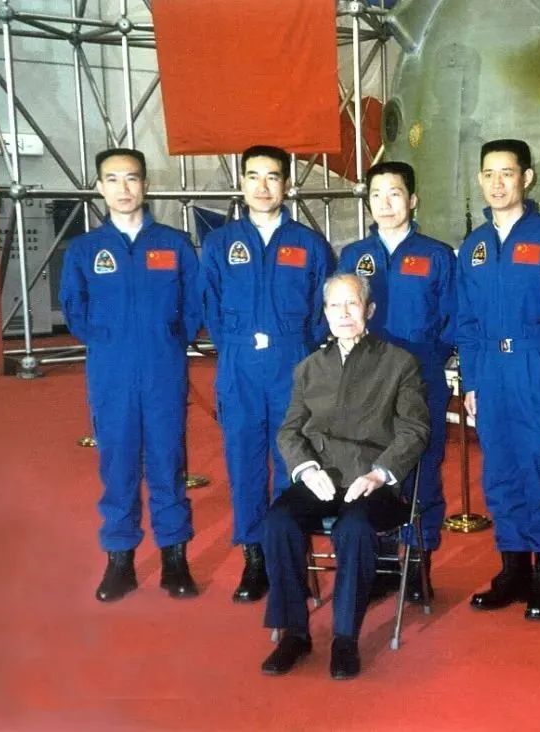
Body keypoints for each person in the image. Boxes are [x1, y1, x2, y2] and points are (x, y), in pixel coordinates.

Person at [260, 273, 430, 680]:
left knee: (353, 529)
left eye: (352, 303)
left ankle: (345, 638)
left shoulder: (399, 363)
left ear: (369, 310)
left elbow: (414, 430)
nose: (344, 313)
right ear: (324, 313)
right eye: (335, 305)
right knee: (277, 522)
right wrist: (306, 468)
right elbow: (289, 431)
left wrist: (380, 474)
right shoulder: (308, 368)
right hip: (321, 478)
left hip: (372, 484)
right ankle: (294, 633)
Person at [60, 147, 202, 602]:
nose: (123, 188)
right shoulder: (84, 250)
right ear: (99, 187)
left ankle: (174, 559)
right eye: (113, 179)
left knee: (167, 460)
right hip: (112, 371)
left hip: (163, 368)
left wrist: (169, 339)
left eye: (132, 178)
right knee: (117, 462)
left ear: (146, 184)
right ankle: (119, 560)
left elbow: (194, 301)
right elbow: (73, 306)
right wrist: (108, 340)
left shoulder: (174, 244)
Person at [200, 145, 335, 604]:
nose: (262, 186)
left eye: (272, 177)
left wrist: (298, 346)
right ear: (241, 183)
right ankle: (254, 558)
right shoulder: (220, 244)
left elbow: (323, 308)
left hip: (292, 362)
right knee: (244, 463)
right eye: (253, 176)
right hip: (239, 365)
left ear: (287, 185)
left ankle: (285, 556)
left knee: (294, 461)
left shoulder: (309, 244)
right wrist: (235, 347)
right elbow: (209, 305)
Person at [456, 139, 540, 620]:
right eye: (489, 174)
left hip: (537, 366)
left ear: (527, 178)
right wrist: (470, 381)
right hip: (490, 370)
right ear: (480, 180)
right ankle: (513, 570)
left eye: (507, 173)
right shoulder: (474, 246)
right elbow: (466, 320)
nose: (498, 183)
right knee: (500, 471)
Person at [336, 161, 456, 602]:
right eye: (376, 195)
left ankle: (419, 560)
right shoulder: (354, 256)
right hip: (366, 383)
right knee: (368, 465)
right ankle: (383, 562)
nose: (385, 203)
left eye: (395, 193)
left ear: (413, 200)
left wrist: (425, 361)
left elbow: (452, 319)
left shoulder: (437, 255)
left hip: (420, 378)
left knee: (422, 468)